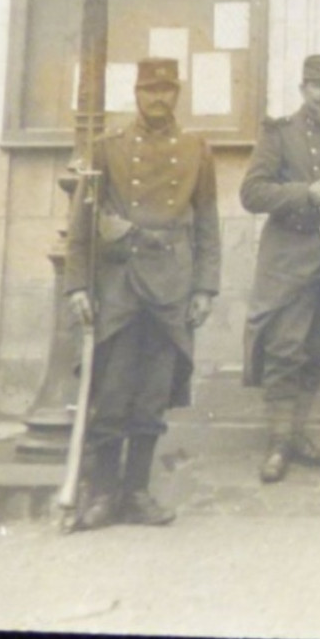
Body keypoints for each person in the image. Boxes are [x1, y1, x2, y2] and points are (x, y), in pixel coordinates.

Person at [64, 57, 220, 529]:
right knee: (111, 394)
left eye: (167, 90)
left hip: (171, 283)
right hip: (121, 283)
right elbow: (83, 221)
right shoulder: (107, 148)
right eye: (150, 90)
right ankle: (103, 495)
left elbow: (208, 223)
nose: (158, 98)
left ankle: (137, 493)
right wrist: (77, 283)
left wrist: (205, 288)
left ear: (177, 95)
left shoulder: (196, 150)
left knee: (153, 396)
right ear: (136, 94)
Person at [240, 55, 320, 484]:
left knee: (319, 349)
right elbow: (252, 192)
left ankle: (296, 435)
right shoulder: (279, 135)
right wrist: (302, 193)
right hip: (290, 261)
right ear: (302, 89)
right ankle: (277, 444)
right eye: (316, 85)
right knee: (285, 351)